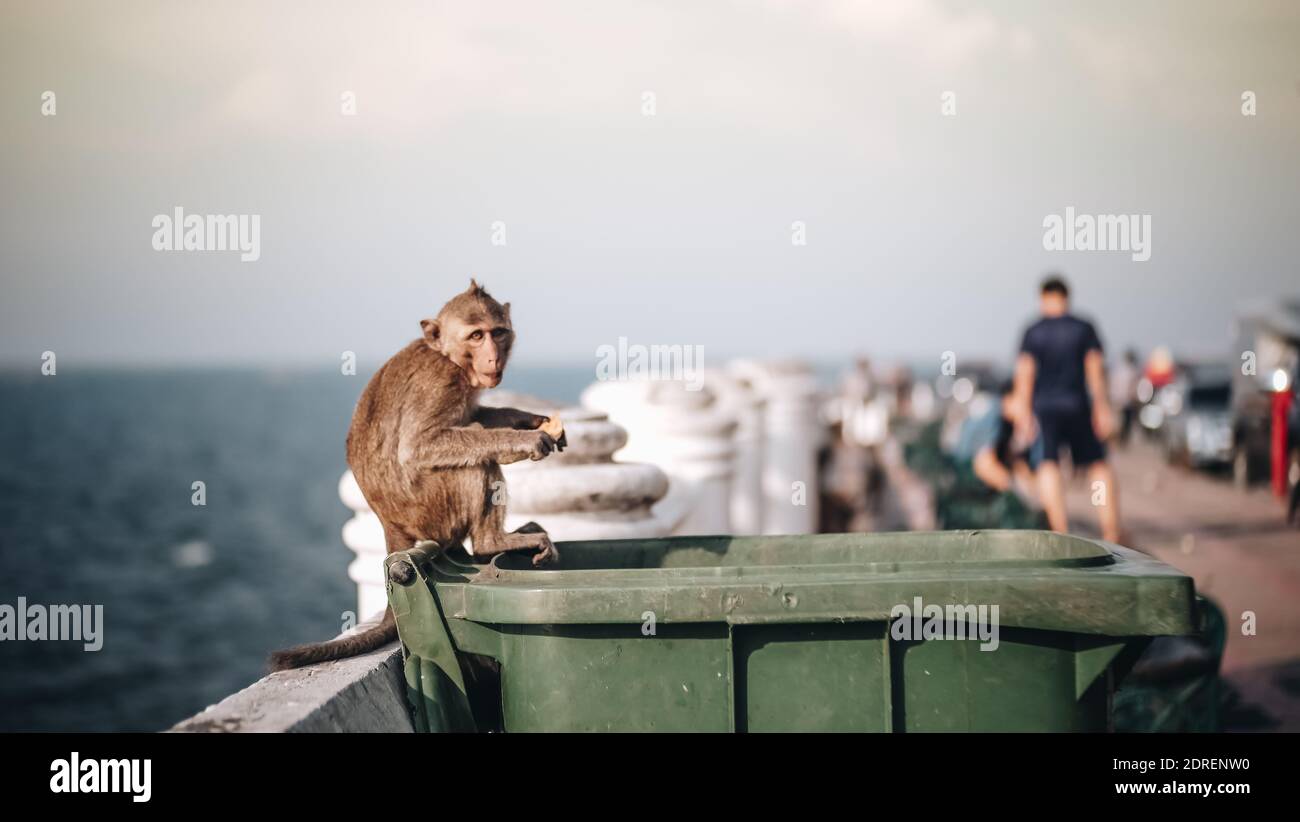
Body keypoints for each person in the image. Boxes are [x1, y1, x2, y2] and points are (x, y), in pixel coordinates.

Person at [1011, 275, 1123, 542]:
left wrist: (1023, 414)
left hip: (1045, 409)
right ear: (1067, 297)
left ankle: (1060, 531)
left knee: (1048, 464)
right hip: (1077, 405)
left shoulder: (1033, 330)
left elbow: (1025, 375)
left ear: (1043, 298)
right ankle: (1111, 530)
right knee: (1097, 465)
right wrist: (1102, 407)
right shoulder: (1084, 328)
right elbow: (1095, 371)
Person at [1110, 348, 1141, 446]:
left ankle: (1121, 439)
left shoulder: (1120, 370)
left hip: (1120, 399)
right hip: (1125, 400)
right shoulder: (1132, 371)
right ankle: (1121, 439)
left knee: (1123, 421)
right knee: (1125, 422)